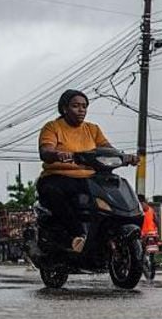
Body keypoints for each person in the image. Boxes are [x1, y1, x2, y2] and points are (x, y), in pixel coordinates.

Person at [37, 89, 136, 253]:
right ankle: (77, 236)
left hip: (89, 178)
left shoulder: (92, 129)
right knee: (56, 193)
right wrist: (57, 154)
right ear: (64, 108)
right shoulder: (52, 127)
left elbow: (108, 149)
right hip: (57, 177)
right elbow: (46, 151)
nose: (81, 110)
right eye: (76, 106)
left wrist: (125, 157)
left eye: (84, 106)